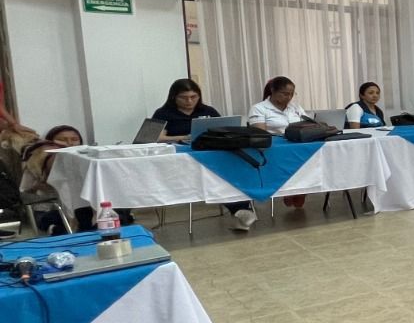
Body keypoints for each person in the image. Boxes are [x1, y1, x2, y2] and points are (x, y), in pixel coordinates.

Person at [155, 79, 257, 231]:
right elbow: (157, 137)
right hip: (181, 158)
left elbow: (225, 129)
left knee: (227, 171)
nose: (189, 101)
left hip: (210, 155)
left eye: (193, 97)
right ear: (173, 97)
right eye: (183, 97)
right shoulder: (163, 113)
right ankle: (240, 210)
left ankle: (241, 209)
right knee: (214, 176)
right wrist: (182, 137)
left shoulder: (208, 111)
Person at [20, 125, 136, 235]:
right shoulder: (38, 160)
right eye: (62, 139)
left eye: (74, 139)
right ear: (49, 142)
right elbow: (26, 190)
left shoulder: (84, 161)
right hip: (52, 207)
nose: (69, 143)